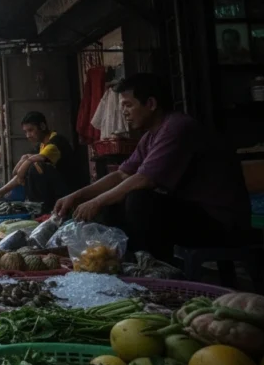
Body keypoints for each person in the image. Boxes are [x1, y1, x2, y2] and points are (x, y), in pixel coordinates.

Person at [54, 73, 251, 261]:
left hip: (220, 221)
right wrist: (77, 196)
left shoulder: (177, 127)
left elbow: (144, 179)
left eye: (128, 105)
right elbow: (122, 174)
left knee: (139, 200)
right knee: (114, 202)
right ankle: (124, 261)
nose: (124, 112)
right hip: (195, 214)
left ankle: (155, 267)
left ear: (151, 104)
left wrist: (96, 202)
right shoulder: (150, 136)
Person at [0, 112, 76, 212]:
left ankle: (44, 209)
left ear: (42, 126)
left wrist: (25, 163)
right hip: (56, 190)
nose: (28, 135)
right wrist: (0, 191)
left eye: (30, 130)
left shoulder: (56, 142)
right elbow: (16, 173)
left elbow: (30, 164)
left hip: (68, 191)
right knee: (29, 164)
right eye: (25, 132)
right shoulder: (41, 145)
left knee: (35, 166)